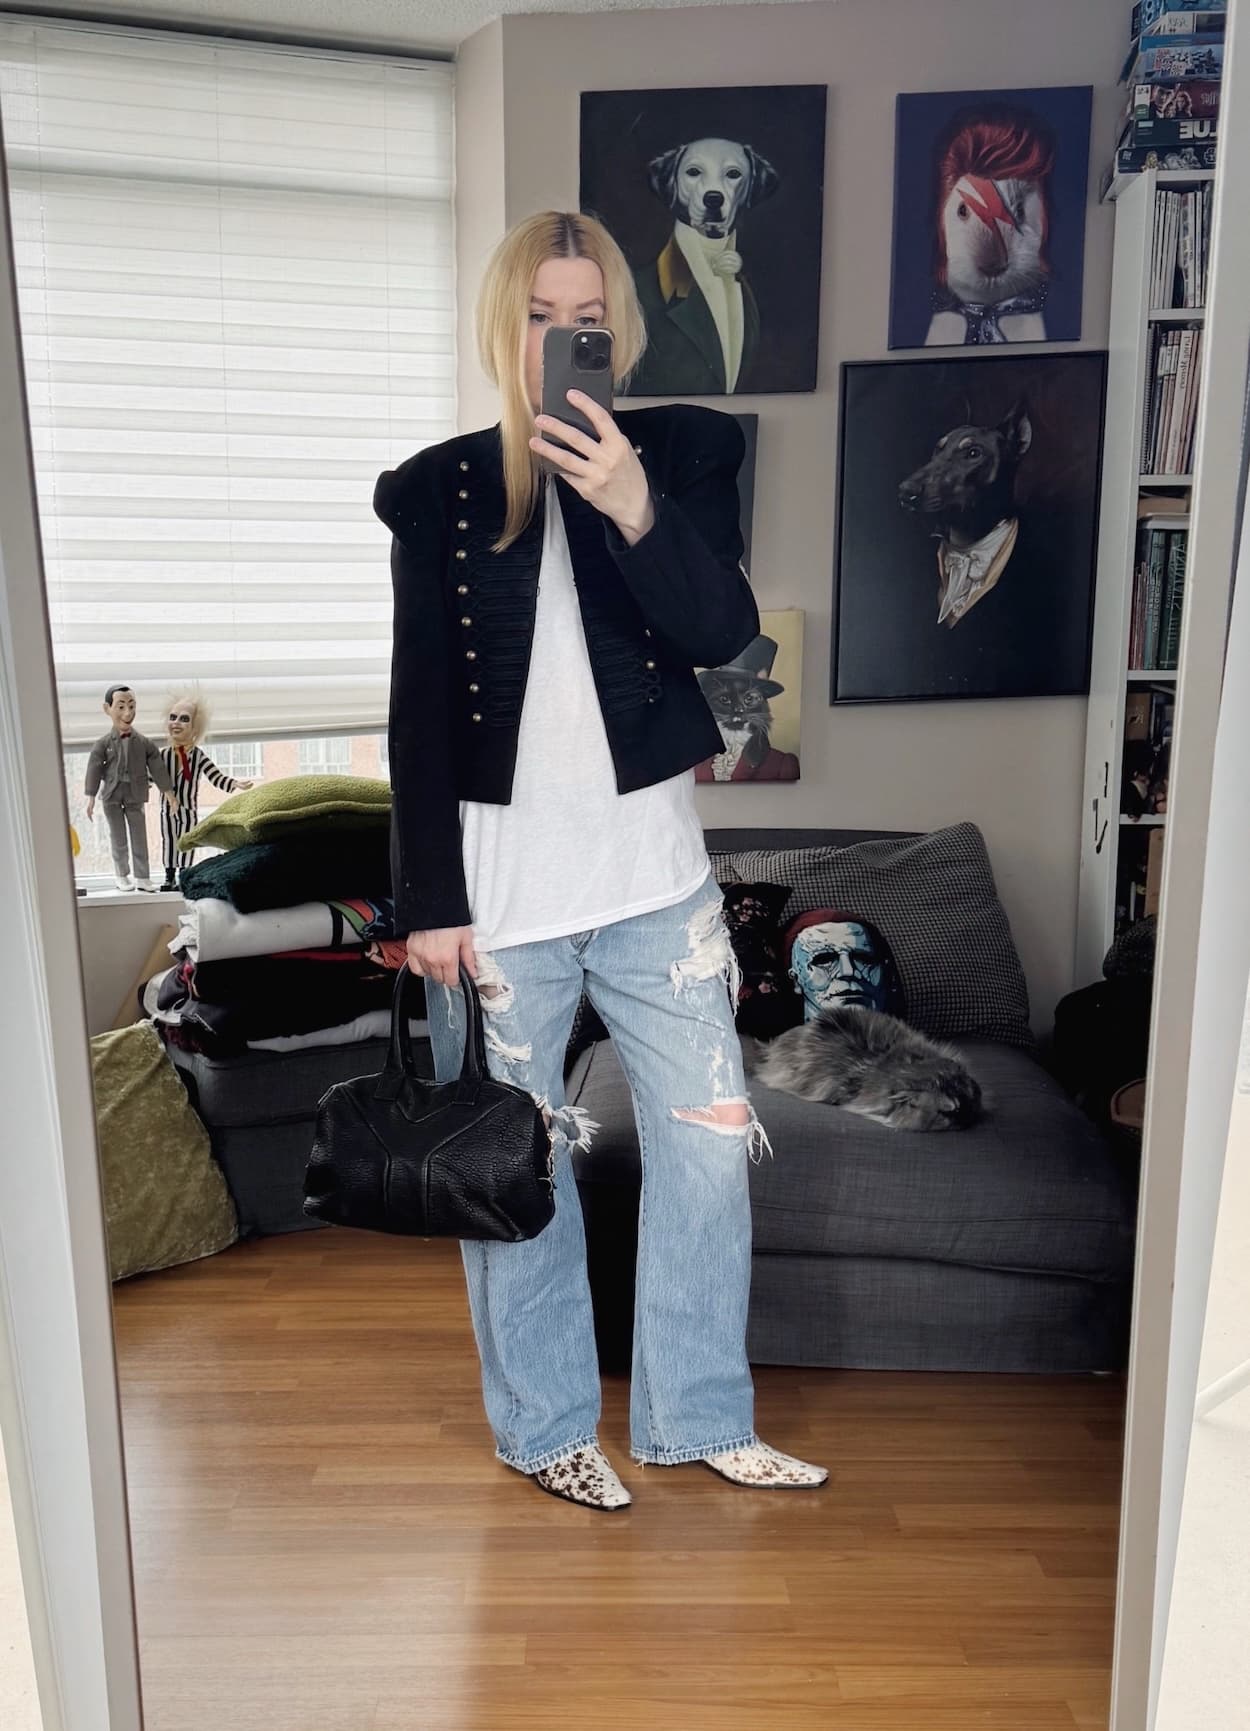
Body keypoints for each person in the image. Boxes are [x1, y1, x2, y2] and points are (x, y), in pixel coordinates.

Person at [375, 210, 828, 1512]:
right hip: (503, 902)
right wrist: (427, 906)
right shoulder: (438, 491)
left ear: (614, 332)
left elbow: (722, 635)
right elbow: (417, 709)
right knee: (514, 1174)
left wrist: (628, 500)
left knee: (703, 1153)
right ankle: (545, 1428)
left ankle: (695, 1419)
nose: (560, 338)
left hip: (656, 892)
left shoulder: (682, 455)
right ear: (499, 331)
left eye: (585, 319)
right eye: (536, 316)